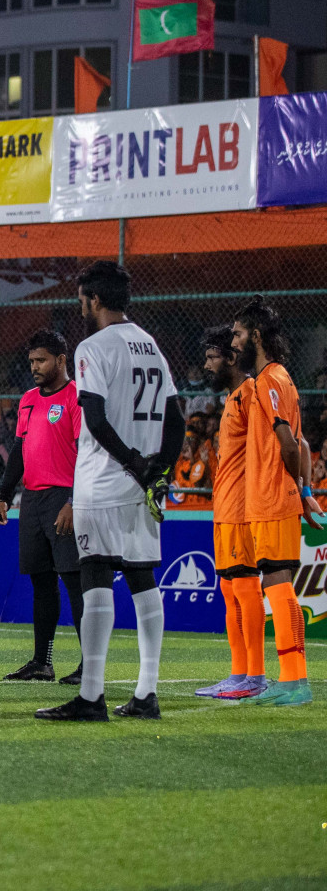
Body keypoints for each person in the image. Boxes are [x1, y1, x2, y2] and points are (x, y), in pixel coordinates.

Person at [36, 262, 181, 722]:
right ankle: (146, 692)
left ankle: (92, 696)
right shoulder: (151, 345)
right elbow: (176, 416)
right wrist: (159, 472)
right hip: (141, 489)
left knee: (95, 572)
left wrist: (132, 462)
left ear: (94, 300)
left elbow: (94, 419)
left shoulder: (92, 347)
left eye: (82, 298)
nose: (80, 306)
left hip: (103, 482)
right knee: (142, 577)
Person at [232, 297, 318, 706]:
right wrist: (303, 491)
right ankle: (294, 678)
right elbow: (301, 443)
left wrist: (295, 490)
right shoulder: (283, 377)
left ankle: (293, 681)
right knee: (280, 585)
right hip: (280, 496)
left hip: (270, 497)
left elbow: (288, 443)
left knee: (277, 584)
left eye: (238, 333)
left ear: (257, 336)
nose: (234, 341)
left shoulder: (267, 380)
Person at [0, 329, 85, 685]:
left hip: (63, 498)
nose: (34, 366)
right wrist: (4, 494)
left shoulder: (77, 396)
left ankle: (89, 664)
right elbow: (19, 450)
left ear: (62, 360)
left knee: (75, 582)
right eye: (31, 360)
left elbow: (86, 452)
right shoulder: (28, 399)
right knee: (41, 582)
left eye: (41, 360)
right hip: (31, 499)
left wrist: (75, 501)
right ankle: (41, 662)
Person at [194, 325, 267, 699]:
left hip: (241, 508)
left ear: (232, 358)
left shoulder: (251, 394)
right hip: (223, 508)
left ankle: (255, 675)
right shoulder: (232, 398)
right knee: (228, 590)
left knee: (245, 586)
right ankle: (238, 674)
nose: (207, 365)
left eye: (212, 358)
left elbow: (271, 446)